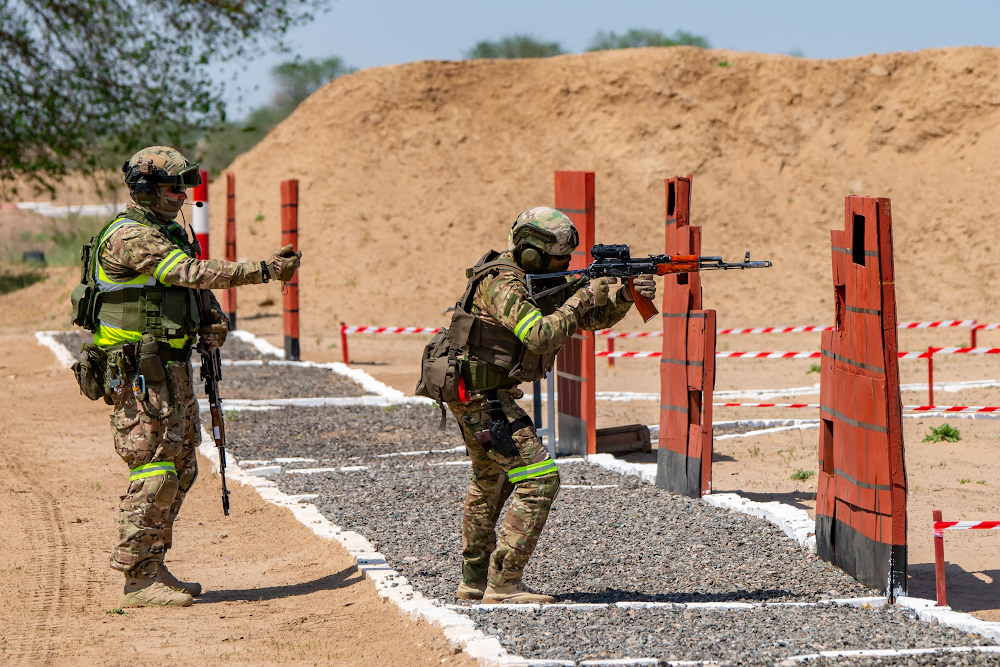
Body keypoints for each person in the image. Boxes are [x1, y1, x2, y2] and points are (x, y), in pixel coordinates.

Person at [76, 146, 301, 607]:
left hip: (169, 366)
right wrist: (263, 270)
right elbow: (190, 273)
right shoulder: (131, 236)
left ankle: (153, 563)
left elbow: (184, 291)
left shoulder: (168, 231)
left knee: (181, 466)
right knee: (155, 468)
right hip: (139, 373)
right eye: (172, 187)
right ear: (143, 189)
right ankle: (137, 579)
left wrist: (210, 321)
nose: (182, 196)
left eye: (184, 188)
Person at [445, 207, 656, 603]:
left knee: (490, 481)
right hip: (482, 398)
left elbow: (586, 321)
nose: (564, 266)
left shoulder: (530, 279)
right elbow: (541, 335)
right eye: (558, 258)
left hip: (482, 394)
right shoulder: (503, 284)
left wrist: (625, 297)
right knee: (541, 479)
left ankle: (473, 581)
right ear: (530, 253)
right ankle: (503, 583)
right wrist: (581, 296)